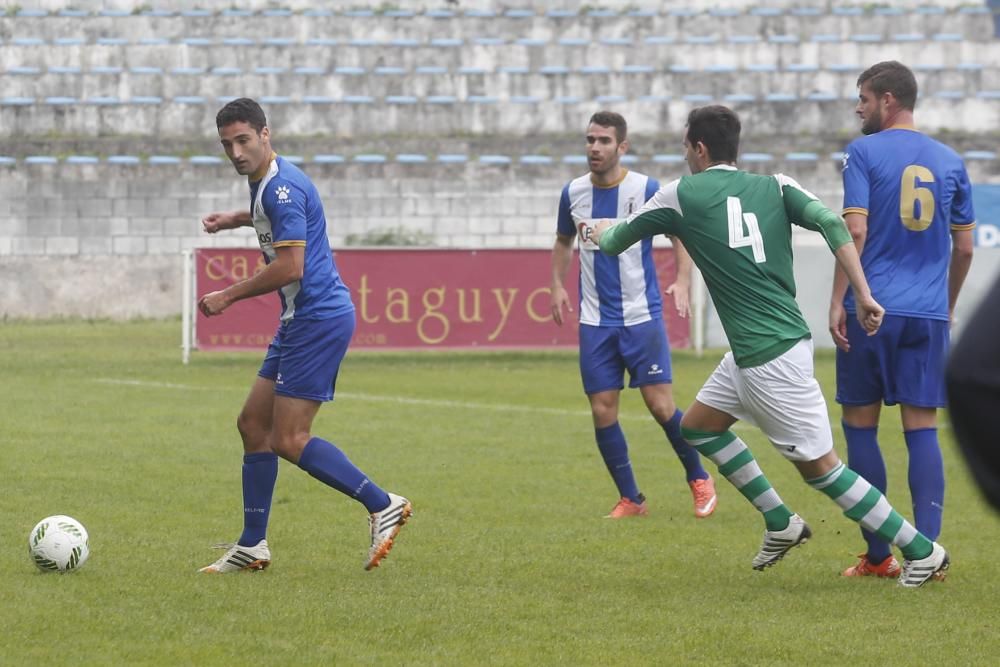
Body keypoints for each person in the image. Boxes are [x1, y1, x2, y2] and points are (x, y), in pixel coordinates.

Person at [592, 104, 949, 587]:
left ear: (698, 149)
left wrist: (595, 230)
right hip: (765, 348)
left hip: (769, 359)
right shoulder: (777, 186)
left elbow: (614, 242)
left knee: (822, 471)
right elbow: (835, 224)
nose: (685, 155)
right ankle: (781, 523)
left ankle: (921, 551)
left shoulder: (681, 193)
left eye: (685, 147)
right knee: (698, 427)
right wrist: (863, 293)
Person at [196, 98, 411, 573]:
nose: (235, 152)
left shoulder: (283, 190)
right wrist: (233, 219)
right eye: (227, 144)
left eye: (243, 141)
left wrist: (228, 296)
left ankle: (382, 503)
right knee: (253, 426)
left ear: (265, 134)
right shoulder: (267, 181)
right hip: (300, 319)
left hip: (317, 319)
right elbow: (269, 216)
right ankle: (253, 545)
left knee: (289, 438)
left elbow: (291, 265)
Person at [829, 61, 976, 578]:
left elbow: (856, 234)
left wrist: (838, 301)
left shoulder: (862, 153)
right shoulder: (952, 160)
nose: (858, 107)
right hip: (928, 314)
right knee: (922, 429)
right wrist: (948, 305)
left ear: (887, 99)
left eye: (863, 98)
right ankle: (928, 556)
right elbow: (964, 248)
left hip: (872, 309)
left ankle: (879, 556)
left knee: (861, 428)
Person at [550, 110, 717, 519]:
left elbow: (677, 232)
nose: (594, 147)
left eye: (604, 141)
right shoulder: (573, 193)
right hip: (595, 321)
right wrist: (556, 283)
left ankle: (699, 477)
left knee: (661, 407)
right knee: (602, 409)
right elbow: (562, 239)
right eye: (590, 139)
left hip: (641, 316)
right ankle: (631, 499)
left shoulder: (646, 189)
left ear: (621, 147)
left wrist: (682, 279)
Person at [946, 274, 1000, 513]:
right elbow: (964, 250)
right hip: (930, 307)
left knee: (861, 423)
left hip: (878, 302)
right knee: (920, 425)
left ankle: (888, 547)